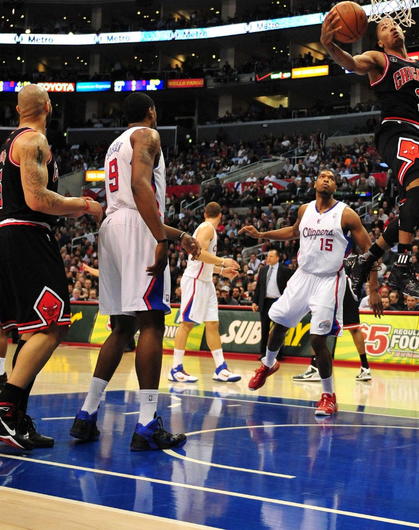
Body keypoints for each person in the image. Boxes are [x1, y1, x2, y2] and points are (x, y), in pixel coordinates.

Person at [70, 92, 200, 451]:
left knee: (123, 327)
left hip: (112, 229)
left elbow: (130, 204)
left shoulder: (115, 145)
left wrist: (179, 235)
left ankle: (86, 414)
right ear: (151, 113)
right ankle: (146, 424)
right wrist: (161, 239)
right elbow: (141, 187)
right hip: (136, 230)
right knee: (152, 323)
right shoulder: (148, 135)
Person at [321, 15, 419, 299]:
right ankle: (402, 268)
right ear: (380, 42)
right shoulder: (379, 59)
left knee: (418, 216)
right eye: (384, 27)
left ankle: (366, 260)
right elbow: (352, 63)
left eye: (394, 23)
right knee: (417, 190)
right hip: (395, 129)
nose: (392, 26)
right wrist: (330, 46)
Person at [0, 84, 103, 450]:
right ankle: (6, 409)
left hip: (9, 233)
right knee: (53, 325)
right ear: (48, 106)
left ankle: (15, 416)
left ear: (18, 109)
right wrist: (83, 205)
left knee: (28, 333)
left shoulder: (8, 145)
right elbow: (38, 199)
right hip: (27, 235)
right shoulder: (33, 142)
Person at [241, 170, 382, 416]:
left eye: (331, 177)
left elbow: (370, 251)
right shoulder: (304, 210)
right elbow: (293, 232)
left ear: (335, 186)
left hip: (329, 280)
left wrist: (374, 288)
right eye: (322, 176)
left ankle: (329, 396)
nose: (326, 179)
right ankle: (268, 364)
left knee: (318, 339)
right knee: (279, 324)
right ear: (315, 183)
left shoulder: (346, 214)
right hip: (303, 276)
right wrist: (262, 235)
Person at [168, 202, 241, 384]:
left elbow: (204, 262)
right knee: (187, 324)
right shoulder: (207, 228)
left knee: (213, 324)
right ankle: (175, 368)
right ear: (221, 216)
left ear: (205, 213)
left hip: (206, 282)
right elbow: (198, 254)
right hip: (195, 281)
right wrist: (223, 261)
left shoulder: (208, 229)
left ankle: (221, 368)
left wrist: (222, 271)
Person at [294, 259, 373, 382]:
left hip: (331, 283)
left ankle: (315, 368)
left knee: (317, 327)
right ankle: (365, 367)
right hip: (347, 283)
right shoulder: (349, 252)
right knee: (353, 328)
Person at [252, 248, 293, 359]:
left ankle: (278, 354)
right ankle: (263, 353)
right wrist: (255, 301)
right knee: (264, 329)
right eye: (267, 256)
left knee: (278, 329)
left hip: (279, 302)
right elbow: (258, 287)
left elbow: (290, 288)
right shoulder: (263, 270)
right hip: (265, 302)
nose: (268, 258)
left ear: (277, 258)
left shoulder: (285, 270)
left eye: (271, 256)